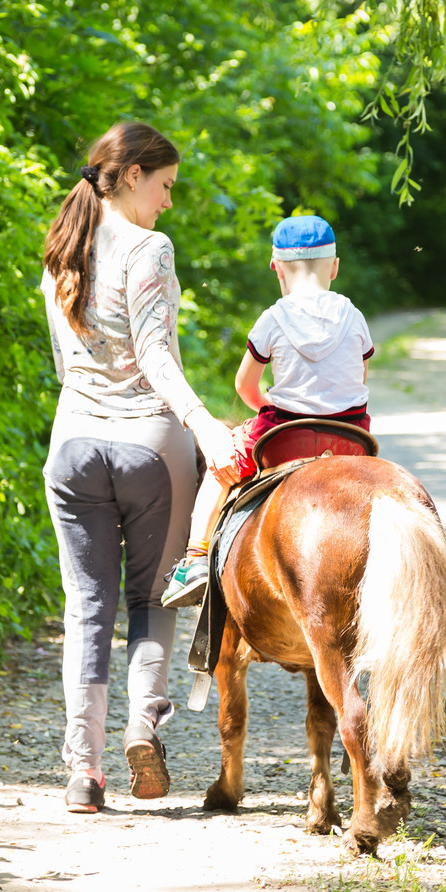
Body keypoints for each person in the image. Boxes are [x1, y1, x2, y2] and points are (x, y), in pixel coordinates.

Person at [41, 121, 239, 814]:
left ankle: (82, 773)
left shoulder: (62, 247)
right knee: (151, 600)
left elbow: (67, 365)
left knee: (85, 610)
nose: (168, 202)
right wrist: (206, 426)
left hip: (71, 449)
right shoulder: (149, 247)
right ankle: (140, 729)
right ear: (131, 177)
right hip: (148, 448)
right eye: (165, 186)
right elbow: (154, 354)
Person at [160, 214, 375, 608]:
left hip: (284, 439)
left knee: (219, 466)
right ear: (335, 267)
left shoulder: (273, 318)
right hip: (349, 441)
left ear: (276, 268)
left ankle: (194, 559)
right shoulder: (354, 316)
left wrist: (268, 407)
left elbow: (244, 385)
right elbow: (360, 379)